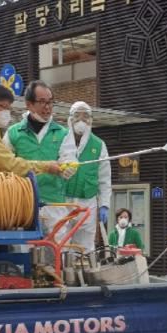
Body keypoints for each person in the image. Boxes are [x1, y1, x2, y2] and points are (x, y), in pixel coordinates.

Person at [3, 80, 69, 237]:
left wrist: (68, 167)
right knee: (23, 247)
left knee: (58, 247)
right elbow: (5, 165)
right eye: (42, 102)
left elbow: (69, 158)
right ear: (29, 104)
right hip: (22, 203)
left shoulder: (63, 133)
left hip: (54, 204)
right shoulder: (13, 133)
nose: (47, 107)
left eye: (50, 102)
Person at [58, 101, 112, 253]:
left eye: (85, 116)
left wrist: (104, 204)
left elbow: (104, 178)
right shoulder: (61, 139)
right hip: (62, 200)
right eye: (77, 116)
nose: (81, 120)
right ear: (70, 119)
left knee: (85, 245)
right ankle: (62, 267)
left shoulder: (98, 145)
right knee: (60, 241)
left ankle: (83, 267)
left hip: (87, 202)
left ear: (90, 120)